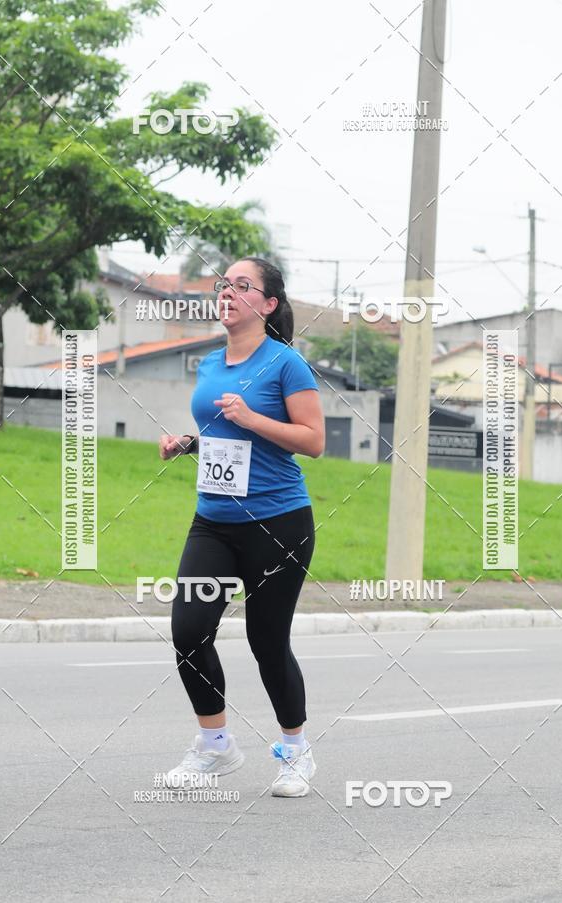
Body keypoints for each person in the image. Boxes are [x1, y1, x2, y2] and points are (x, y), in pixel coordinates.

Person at [158, 257, 325, 798]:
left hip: (278, 523)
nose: (227, 292)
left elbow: (313, 441)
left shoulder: (286, 364)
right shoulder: (210, 363)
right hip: (214, 521)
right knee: (188, 633)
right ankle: (215, 746)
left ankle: (295, 752)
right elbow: (225, 439)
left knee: (267, 642)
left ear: (269, 304)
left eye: (242, 285)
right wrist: (189, 444)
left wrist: (252, 417)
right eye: (223, 284)